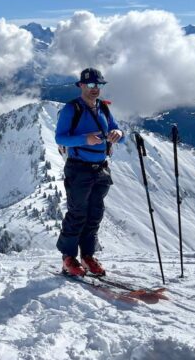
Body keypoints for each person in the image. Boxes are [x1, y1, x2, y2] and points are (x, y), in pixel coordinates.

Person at [55, 67, 124, 277]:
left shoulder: (103, 107)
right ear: (81, 85)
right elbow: (60, 138)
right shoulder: (71, 109)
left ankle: (87, 256)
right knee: (77, 213)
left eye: (99, 85)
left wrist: (118, 132)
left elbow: (117, 128)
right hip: (79, 168)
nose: (96, 89)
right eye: (92, 85)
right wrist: (84, 139)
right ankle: (68, 258)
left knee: (95, 214)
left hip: (101, 168)